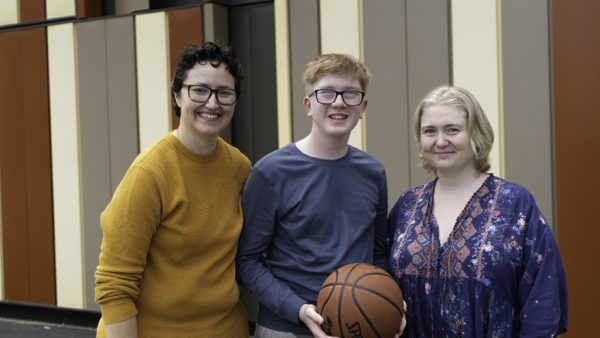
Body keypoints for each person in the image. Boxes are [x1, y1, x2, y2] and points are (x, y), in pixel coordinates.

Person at [94, 42, 251, 338]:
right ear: (178, 95)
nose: (212, 103)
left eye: (224, 93)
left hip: (226, 329)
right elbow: (114, 285)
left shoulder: (239, 168)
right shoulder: (150, 172)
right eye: (200, 90)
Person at [388, 85, 568, 337]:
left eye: (452, 129)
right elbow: (379, 286)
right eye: (430, 131)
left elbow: (543, 299)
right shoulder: (407, 206)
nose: (440, 141)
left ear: (476, 133)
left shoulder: (515, 204)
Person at [236, 53, 390, 338]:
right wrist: (297, 309)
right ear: (308, 105)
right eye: (326, 93)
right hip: (286, 327)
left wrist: (387, 304)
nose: (339, 102)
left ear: (363, 107)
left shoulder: (373, 173)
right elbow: (247, 262)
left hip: (357, 327)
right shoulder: (270, 172)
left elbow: (378, 254)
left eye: (351, 94)